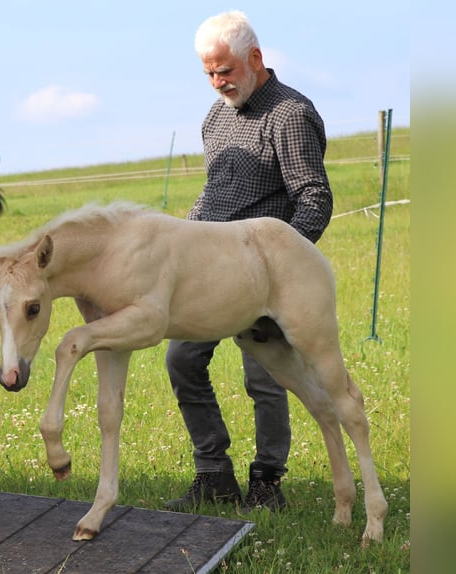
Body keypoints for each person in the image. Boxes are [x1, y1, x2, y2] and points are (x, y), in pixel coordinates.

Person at [164, 10, 333, 513]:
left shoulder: (292, 114)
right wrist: (181, 236)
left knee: (266, 377)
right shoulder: (214, 118)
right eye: (209, 74)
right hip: (209, 273)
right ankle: (213, 473)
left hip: (265, 280)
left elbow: (314, 199)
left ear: (255, 58)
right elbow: (216, 194)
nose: (218, 83)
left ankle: (267, 483)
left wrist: (277, 275)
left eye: (226, 71)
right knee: (181, 359)